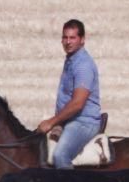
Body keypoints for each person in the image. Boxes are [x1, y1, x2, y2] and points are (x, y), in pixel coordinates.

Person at [37, 19, 102, 169]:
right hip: (69, 120)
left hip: (83, 122)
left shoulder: (83, 65)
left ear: (82, 40)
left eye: (72, 38)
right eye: (65, 37)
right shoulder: (71, 60)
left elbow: (78, 104)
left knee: (60, 155)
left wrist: (52, 122)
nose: (68, 42)